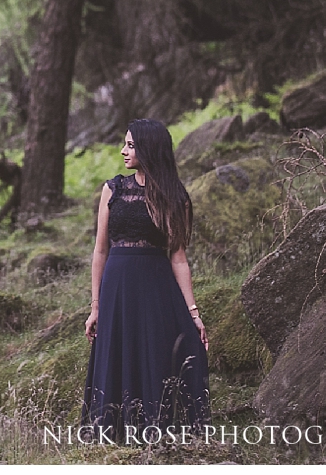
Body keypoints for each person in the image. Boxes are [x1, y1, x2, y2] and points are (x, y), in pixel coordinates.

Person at [81, 118, 209, 440]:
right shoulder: (113, 189)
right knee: (117, 352)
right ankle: (115, 434)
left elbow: (178, 257)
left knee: (157, 353)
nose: (124, 151)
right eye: (125, 144)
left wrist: (193, 312)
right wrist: (95, 306)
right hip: (117, 287)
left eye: (131, 145)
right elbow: (100, 251)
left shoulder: (175, 196)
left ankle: (159, 433)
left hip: (156, 287)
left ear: (149, 149)